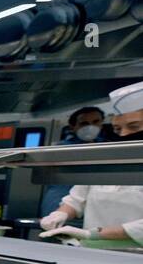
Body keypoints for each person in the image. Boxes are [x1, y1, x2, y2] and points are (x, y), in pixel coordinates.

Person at [40, 82, 143, 245]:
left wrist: (92, 234)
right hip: (92, 253)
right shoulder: (106, 159)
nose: (124, 134)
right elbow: (77, 198)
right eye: (117, 129)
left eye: (133, 127)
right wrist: (60, 214)